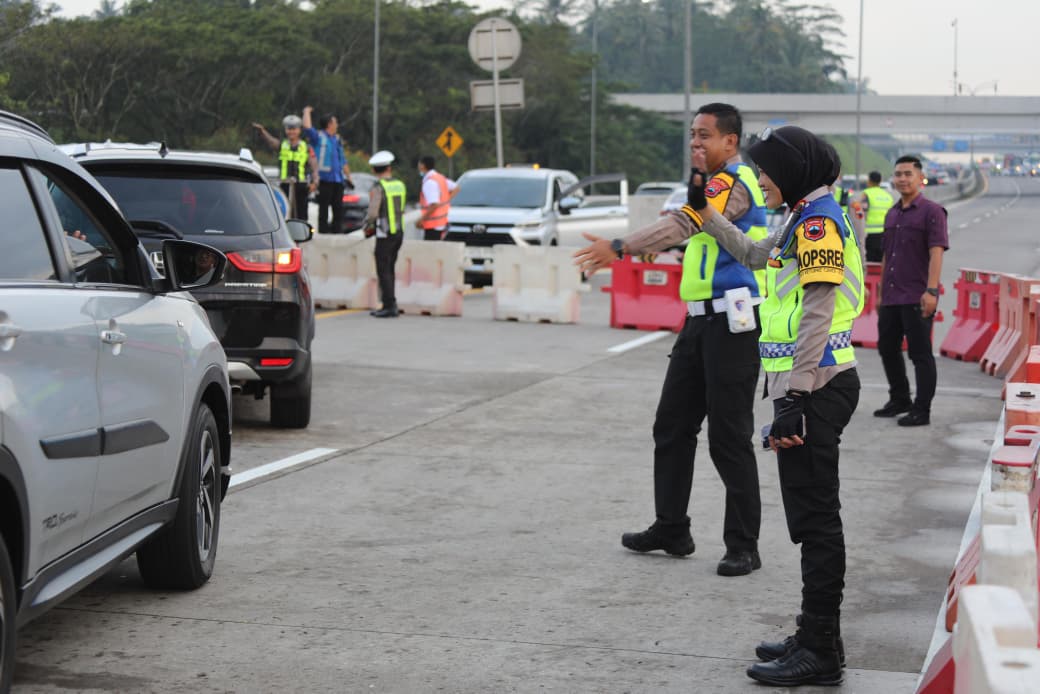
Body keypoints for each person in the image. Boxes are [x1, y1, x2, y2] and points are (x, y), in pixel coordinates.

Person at [686, 125, 864, 686]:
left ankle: (819, 650)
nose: (760, 179)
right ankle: (818, 634)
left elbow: (817, 312)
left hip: (818, 385)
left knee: (815, 521)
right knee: (811, 518)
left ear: (791, 171)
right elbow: (753, 253)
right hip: (809, 384)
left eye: (766, 170)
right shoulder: (800, 218)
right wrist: (705, 213)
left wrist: (797, 397)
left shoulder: (817, 223)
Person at [574, 103, 769, 577]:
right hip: (699, 321)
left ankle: (743, 545)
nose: (695, 142)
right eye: (692, 134)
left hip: (733, 323)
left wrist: (620, 246)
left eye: (705, 135)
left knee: (728, 438)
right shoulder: (709, 182)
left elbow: (685, 223)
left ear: (730, 142)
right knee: (672, 426)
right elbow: (691, 229)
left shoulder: (733, 183)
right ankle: (671, 527)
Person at [872, 156, 948, 427]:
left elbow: (936, 252)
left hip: (917, 294)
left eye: (908, 174)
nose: (902, 179)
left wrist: (932, 291)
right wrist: (880, 293)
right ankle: (900, 398)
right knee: (887, 348)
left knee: (920, 353)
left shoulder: (932, 211)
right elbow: (886, 256)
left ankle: (922, 409)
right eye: (898, 174)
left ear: (920, 178)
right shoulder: (892, 213)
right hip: (892, 295)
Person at [362, 150, 406, 318]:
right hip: (399, 232)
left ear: (374, 170)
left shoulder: (378, 187)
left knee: (383, 270)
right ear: (389, 168)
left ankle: (389, 305)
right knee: (390, 268)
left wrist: (367, 227)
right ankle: (390, 303)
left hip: (384, 234)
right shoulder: (400, 184)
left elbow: (373, 213)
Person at [252, 115, 319, 220]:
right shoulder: (282, 145)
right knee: (285, 214)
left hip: (301, 186)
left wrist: (315, 182)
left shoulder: (306, 147)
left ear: (299, 130)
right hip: (285, 185)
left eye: (294, 129)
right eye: (289, 129)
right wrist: (263, 132)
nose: (291, 132)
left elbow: (314, 167)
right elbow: (271, 141)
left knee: (301, 215)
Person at [302, 105, 354, 233]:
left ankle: (337, 232)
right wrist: (306, 112)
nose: (337, 125)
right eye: (335, 122)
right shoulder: (318, 137)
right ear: (329, 124)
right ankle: (324, 232)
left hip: (338, 180)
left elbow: (343, 160)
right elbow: (307, 128)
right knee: (323, 208)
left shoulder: (337, 139)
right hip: (324, 179)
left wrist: (349, 177)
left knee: (338, 208)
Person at [416, 155, 458, 240]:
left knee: (430, 247)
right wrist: (446, 200)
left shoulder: (429, 182)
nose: (418, 167)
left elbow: (434, 205)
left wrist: (421, 220)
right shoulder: (439, 177)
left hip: (433, 225)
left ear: (423, 165)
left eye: (419, 164)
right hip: (441, 222)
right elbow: (456, 188)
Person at [857, 170, 894, 262]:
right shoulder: (887, 196)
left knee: (871, 262)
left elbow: (861, 212)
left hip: (871, 234)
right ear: (880, 181)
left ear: (869, 181)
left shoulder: (866, 194)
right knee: (882, 261)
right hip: (885, 233)